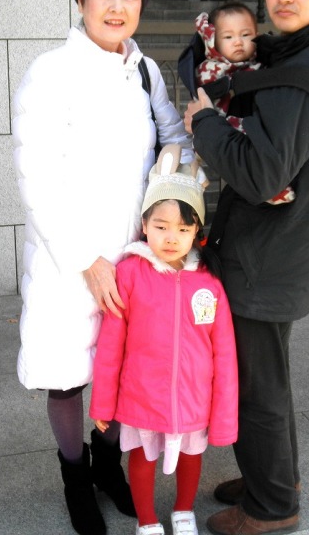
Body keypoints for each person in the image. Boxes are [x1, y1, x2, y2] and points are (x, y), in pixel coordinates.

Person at [183, 0, 309, 535]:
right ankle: (276, 477)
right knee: (269, 377)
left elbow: (261, 175)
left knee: (255, 386)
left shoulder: (305, 71)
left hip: (268, 257)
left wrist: (205, 124)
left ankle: (271, 507)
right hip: (287, 246)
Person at [11, 0, 194, 535]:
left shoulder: (144, 71)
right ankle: (74, 477)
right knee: (67, 374)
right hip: (69, 259)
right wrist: (84, 259)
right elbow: (35, 177)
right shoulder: (50, 72)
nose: (117, 7)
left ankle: (107, 466)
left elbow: (174, 134)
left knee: (120, 370)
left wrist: (175, 162)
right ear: (82, 1)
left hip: (133, 258)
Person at [90, 144, 238, 535]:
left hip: (194, 398)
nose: (172, 237)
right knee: (142, 457)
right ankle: (147, 521)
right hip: (142, 396)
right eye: (161, 226)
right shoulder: (129, 275)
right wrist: (103, 400)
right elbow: (111, 346)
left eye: (183, 229)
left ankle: (184, 511)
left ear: (197, 233)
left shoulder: (209, 284)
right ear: (144, 224)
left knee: (191, 457)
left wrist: (223, 415)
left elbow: (224, 354)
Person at [194, 2, 294, 205]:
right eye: (228, 37)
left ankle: (273, 185)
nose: (238, 42)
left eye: (246, 35)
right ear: (212, 42)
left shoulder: (262, 63)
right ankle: (270, 189)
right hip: (224, 123)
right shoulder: (211, 67)